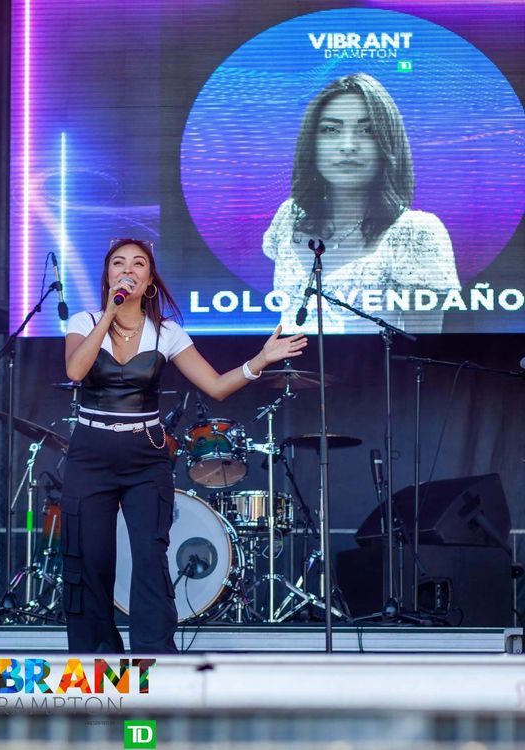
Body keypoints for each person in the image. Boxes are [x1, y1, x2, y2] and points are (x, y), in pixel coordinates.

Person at [62, 238, 307, 654]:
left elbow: (216, 386)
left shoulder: (167, 332)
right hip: (91, 452)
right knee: (90, 559)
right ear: (107, 275)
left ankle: (154, 657)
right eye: (119, 263)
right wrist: (109, 313)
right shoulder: (85, 322)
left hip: (144, 455)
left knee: (150, 556)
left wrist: (261, 360)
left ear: (149, 280)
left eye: (138, 264)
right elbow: (75, 369)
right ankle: (97, 658)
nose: (128, 270)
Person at [263, 73, 460, 334]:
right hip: (290, 362)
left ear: (387, 143)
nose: (348, 146)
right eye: (331, 130)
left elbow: (422, 347)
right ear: (312, 142)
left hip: (373, 362)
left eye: (367, 131)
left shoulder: (416, 231)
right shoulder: (290, 216)